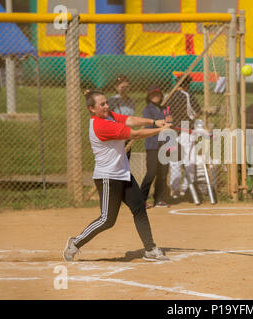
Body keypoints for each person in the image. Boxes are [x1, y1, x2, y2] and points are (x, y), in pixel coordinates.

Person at [63, 89, 172, 262]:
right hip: (108, 177)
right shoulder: (101, 125)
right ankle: (75, 242)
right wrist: (160, 130)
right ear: (92, 109)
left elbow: (129, 120)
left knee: (139, 208)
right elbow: (134, 133)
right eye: (102, 104)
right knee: (107, 219)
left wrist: (154, 121)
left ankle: (150, 249)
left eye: (106, 102)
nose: (107, 106)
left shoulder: (108, 116)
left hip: (123, 173)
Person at [165, 75, 202, 199]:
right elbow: (196, 113)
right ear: (186, 85)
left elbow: (165, 113)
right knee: (188, 161)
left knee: (174, 162)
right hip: (185, 129)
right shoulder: (187, 95)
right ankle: (186, 189)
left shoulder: (168, 95)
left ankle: (175, 191)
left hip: (171, 131)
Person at [140, 85, 170, 209]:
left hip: (165, 145)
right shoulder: (147, 110)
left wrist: (169, 120)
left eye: (157, 94)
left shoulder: (164, 108)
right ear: (149, 96)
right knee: (151, 172)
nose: (156, 96)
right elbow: (149, 127)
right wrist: (161, 121)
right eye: (153, 94)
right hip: (153, 145)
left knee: (163, 173)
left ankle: (158, 199)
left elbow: (169, 122)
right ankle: (141, 199)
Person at [107, 75, 135, 159]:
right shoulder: (112, 100)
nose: (124, 89)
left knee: (126, 159)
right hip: (116, 134)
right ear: (116, 87)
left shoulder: (131, 102)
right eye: (122, 87)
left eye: (126, 87)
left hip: (127, 134)